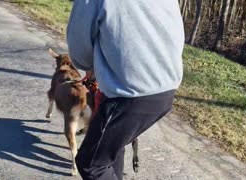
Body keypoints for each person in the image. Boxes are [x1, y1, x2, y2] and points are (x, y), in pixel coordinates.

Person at [66, 0, 184, 179]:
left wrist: (91, 66)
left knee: (91, 164)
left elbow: (79, 46)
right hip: (165, 89)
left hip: (128, 94)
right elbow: (176, 33)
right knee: (111, 151)